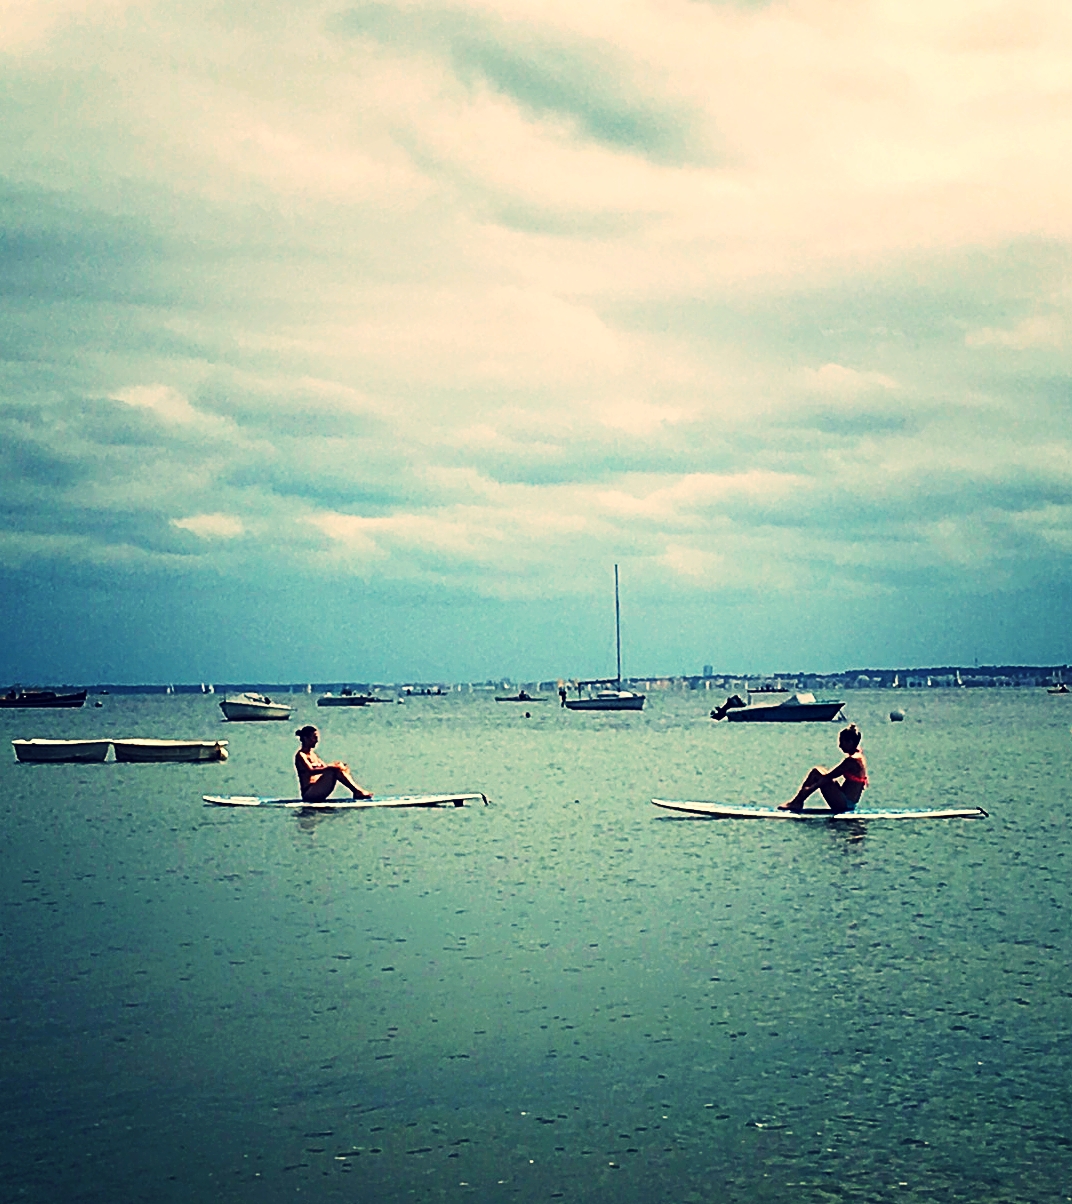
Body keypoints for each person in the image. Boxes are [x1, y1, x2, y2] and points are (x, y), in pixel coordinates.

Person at [778, 724, 868, 813]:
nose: (840, 746)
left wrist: (809, 789)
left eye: (842, 742)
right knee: (817, 770)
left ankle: (797, 802)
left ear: (850, 742)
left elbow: (829, 777)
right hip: (845, 799)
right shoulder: (858, 754)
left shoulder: (852, 760)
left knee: (817, 775)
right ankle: (797, 801)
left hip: (845, 804)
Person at [294, 725, 372, 801]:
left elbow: (325, 767)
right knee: (333, 769)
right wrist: (332, 767)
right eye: (314, 738)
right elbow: (311, 771)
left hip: (319, 788)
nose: (316, 740)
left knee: (338, 768)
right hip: (309, 793)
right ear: (306, 738)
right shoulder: (301, 755)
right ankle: (357, 792)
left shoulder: (313, 755)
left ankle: (357, 791)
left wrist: (340, 767)